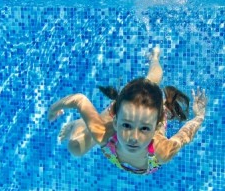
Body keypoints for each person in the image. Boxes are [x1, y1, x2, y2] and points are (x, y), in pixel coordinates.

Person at [47, 48, 207, 175]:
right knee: (75, 147)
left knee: (152, 81)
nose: (133, 137)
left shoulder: (162, 151)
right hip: (122, 113)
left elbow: (184, 136)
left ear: (157, 126)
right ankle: (81, 123)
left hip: (142, 114)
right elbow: (79, 100)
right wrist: (53, 108)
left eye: (144, 129)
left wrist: (200, 115)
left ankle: (155, 58)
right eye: (127, 126)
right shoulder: (105, 133)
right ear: (116, 121)